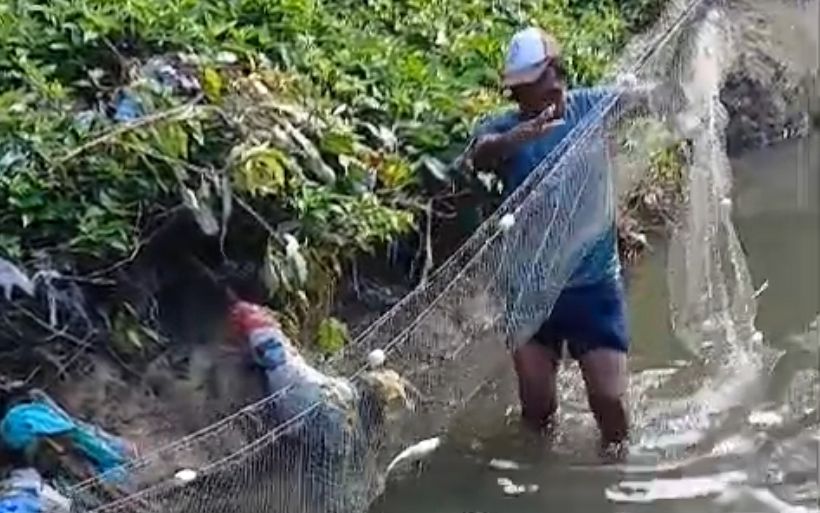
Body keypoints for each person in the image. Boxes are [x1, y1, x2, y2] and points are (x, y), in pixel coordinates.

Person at [463, 27, 636, 456]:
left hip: (592, 286)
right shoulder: (504, 129)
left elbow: (649, 97)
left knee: (610, 404)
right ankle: (538, 480)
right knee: (538, 409)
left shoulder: (590, 107)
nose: (531, 98)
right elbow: (479, 155)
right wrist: (520, 137)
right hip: (526, 290)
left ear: (557, 76)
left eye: (539, 85)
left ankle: (615, 477)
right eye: (520, 91)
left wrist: (642, 91)